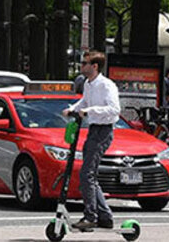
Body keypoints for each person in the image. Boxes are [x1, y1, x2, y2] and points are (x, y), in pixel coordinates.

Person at [62, 50, 120, 231]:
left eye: (84, 63)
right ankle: (105, 217)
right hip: (93, 129)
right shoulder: (88, 84)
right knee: (90, 176)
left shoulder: (106, 85)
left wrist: (90, 111)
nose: (81, 66)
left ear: (94, 66)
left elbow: (114, 109)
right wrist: (72, 109)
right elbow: (84, 102)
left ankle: (90, 216)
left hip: (103, 131)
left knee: (86, 174)